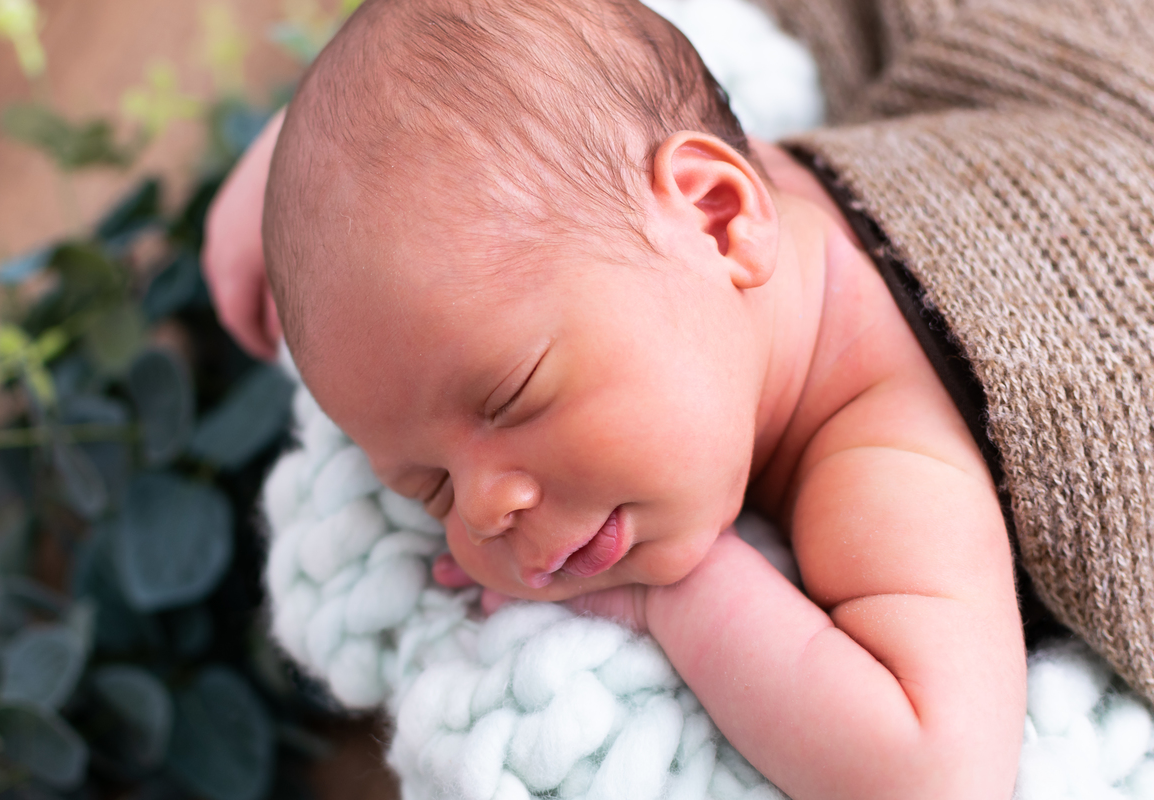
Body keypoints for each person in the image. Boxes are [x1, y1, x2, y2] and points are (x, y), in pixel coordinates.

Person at [203, 0, 1154, 797]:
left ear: (719, 216)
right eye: (433, 492)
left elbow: (936, 769)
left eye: (515, 397)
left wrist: (683, 600)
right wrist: (327, 162)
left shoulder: (888, 459)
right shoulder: (671, 239)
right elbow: (516, 104)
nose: (488, 505)